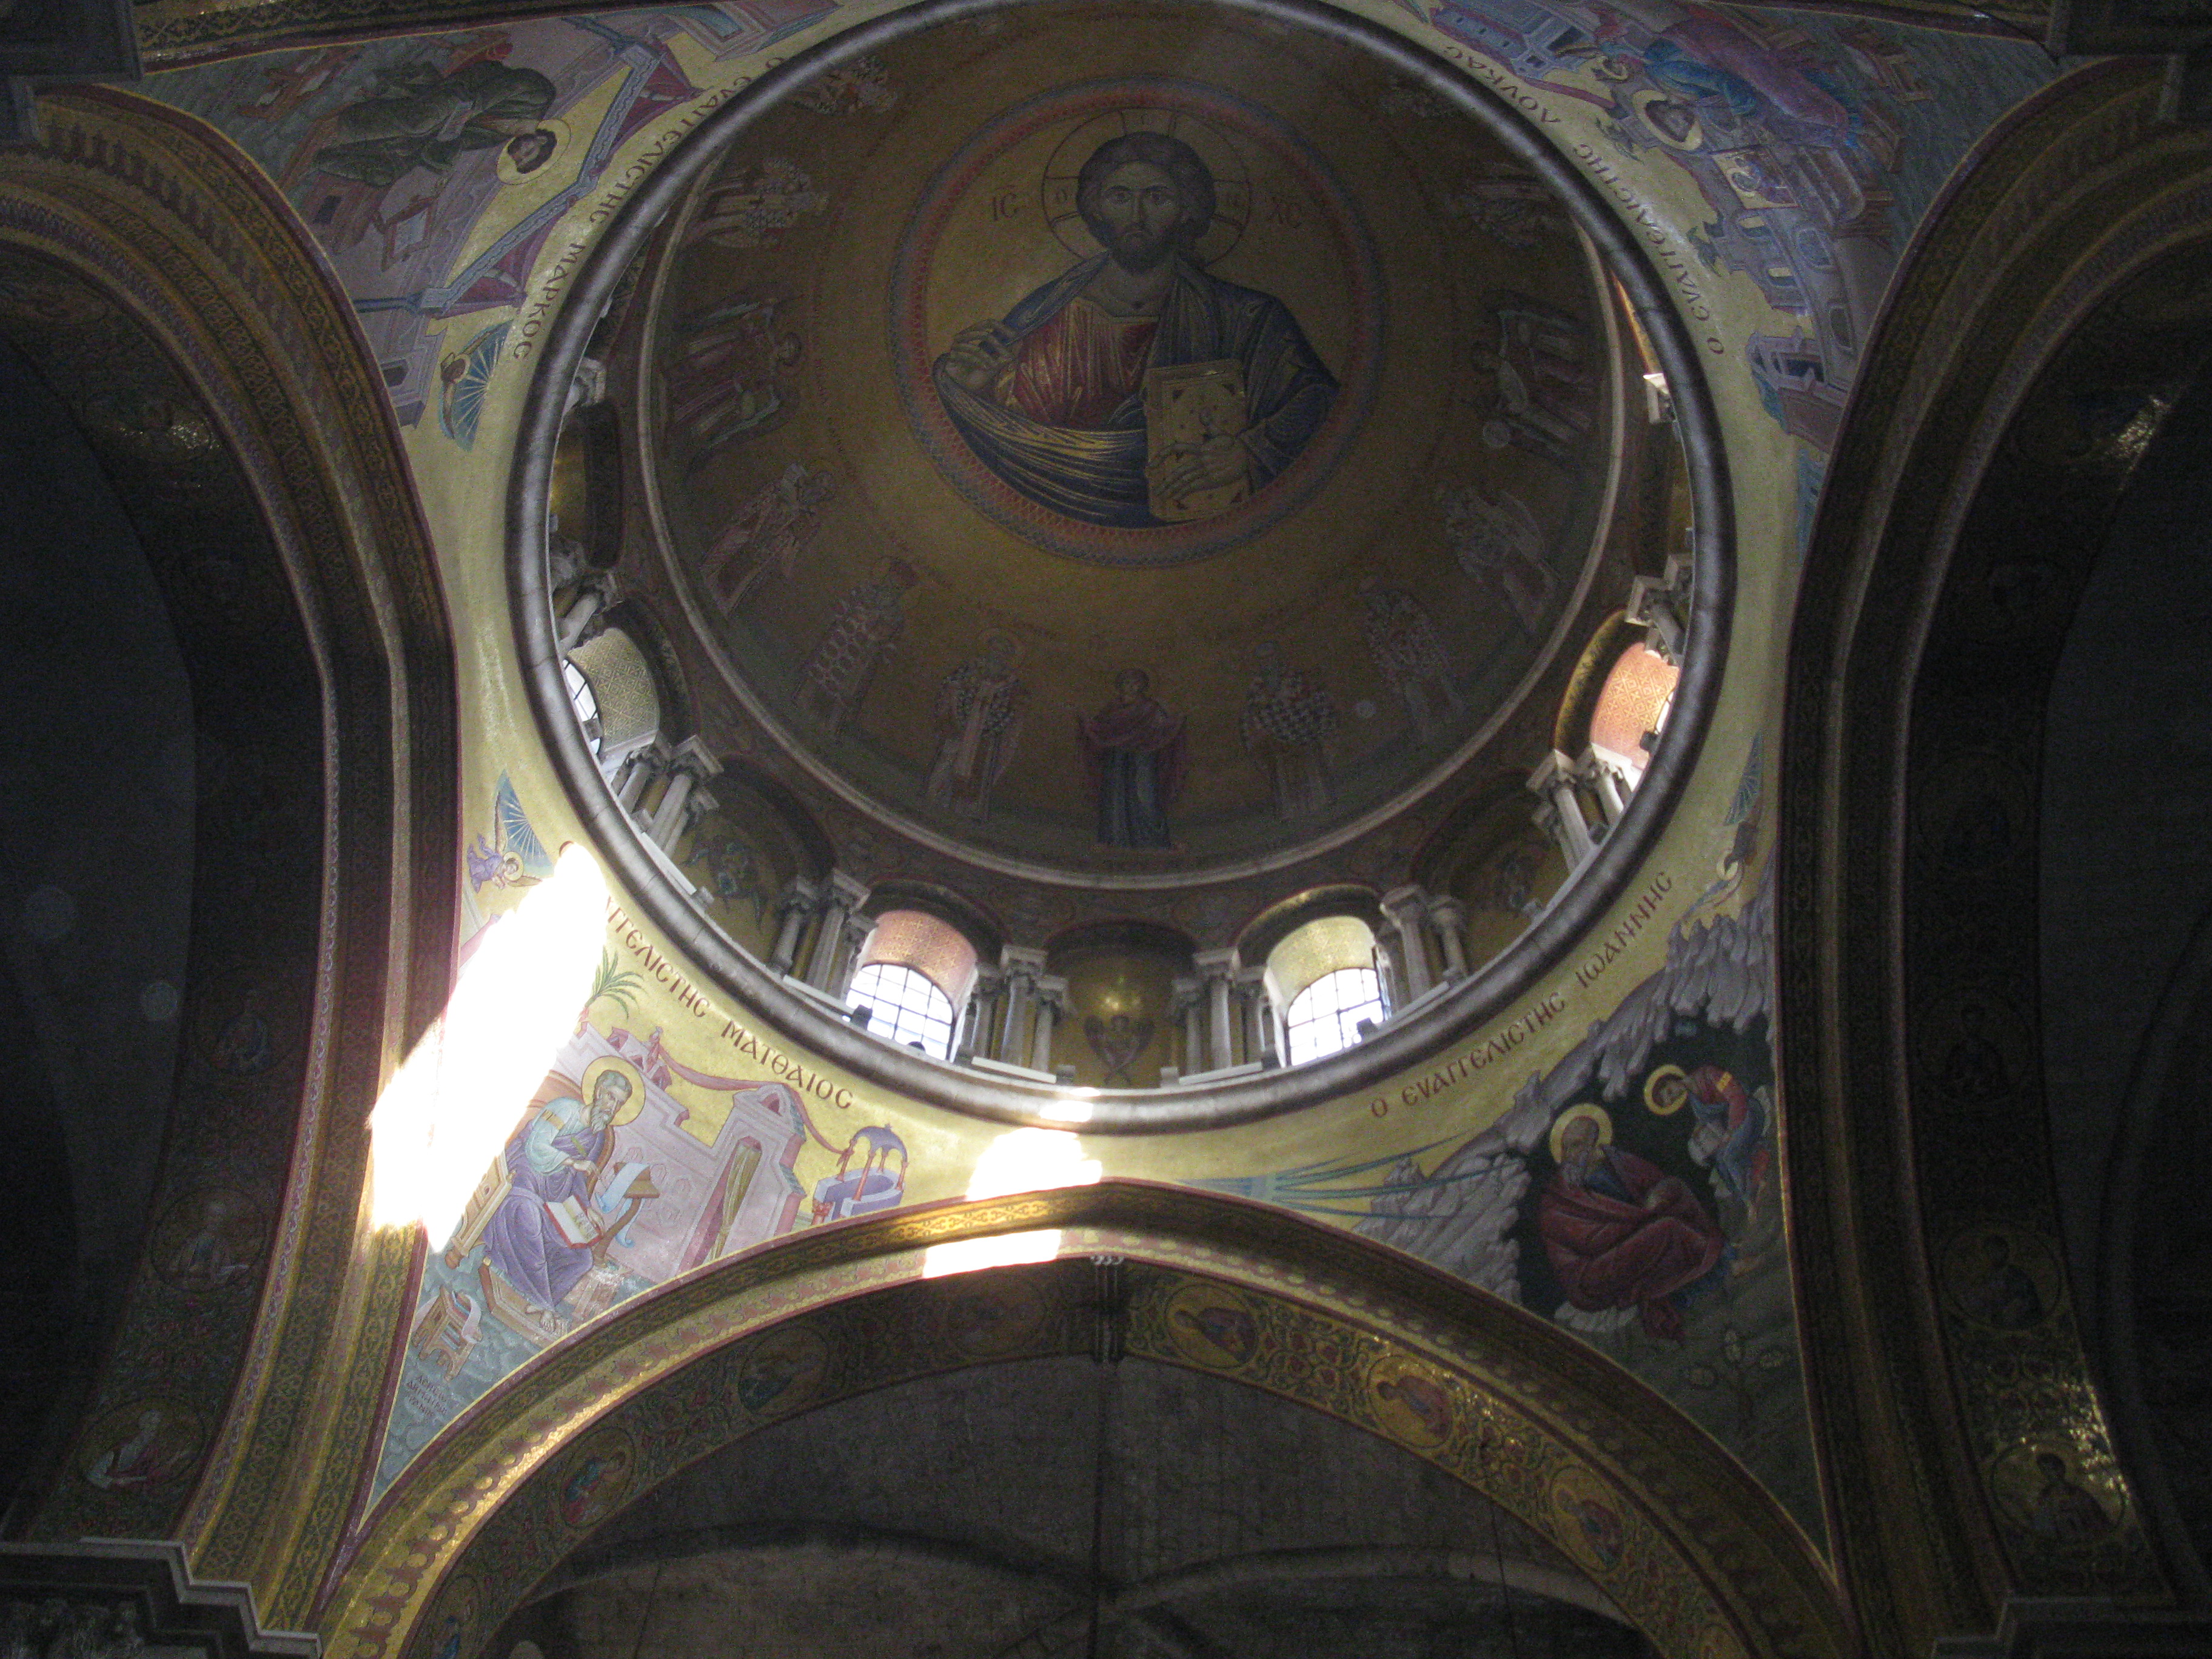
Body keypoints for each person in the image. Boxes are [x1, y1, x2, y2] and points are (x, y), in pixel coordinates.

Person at [933, 132, 1336, 527]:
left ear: (1187, 211)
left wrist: (1248, 452)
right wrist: (973, 391)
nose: (1137, 216)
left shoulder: (1247, 318)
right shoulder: (1043, 317)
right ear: (1097, 208)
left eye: (1157, 198)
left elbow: (1318, 401)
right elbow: (1015, 441)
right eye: (1120, 197)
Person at [1537, 1108, 1726, 1340]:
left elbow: (1655, 1183)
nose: (1569, 1155)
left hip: (1633, 1236)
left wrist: (1657, 1197)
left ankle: (1698, 1275)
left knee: (1676, 1190)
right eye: (1565, 1148)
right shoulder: (1558, 1200)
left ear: (1592, 1143)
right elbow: (1592, 1238)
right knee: (1668, 1229)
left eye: (1576, 1145)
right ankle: (1725, 1264)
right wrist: (1639, 1217)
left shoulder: (1619, 1162)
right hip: (1591, 1270)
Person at [480, 1068, 631, 1319]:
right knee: (529, 1215)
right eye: (610, 1097)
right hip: (522, 1177)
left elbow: (577, 1180)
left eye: (619, 1103)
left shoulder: (597, 1137)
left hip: (555, 1197)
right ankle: (543, 1301)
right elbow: (535, 1146)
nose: (612, 1107)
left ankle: (538, 1298)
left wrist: (586, 1209)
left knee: (583, 1259)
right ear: (598, 1092)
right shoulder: (564, 1109)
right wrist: (572, 1162)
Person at [1077, 669, 1186, 848]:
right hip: (1117, 758)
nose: (1131, 686)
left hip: (1144, 757)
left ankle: (1156, 840)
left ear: (1142, 686)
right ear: (1120, 685)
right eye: (1127, 682)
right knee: (1115, 797)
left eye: (1135, 683)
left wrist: (1176, 723)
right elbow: (1101, 728)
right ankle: (1114, 839)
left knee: (1145, 796)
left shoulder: (1151, 708)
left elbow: (1162, 729)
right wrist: (1086, 723)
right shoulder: (1112, 709)